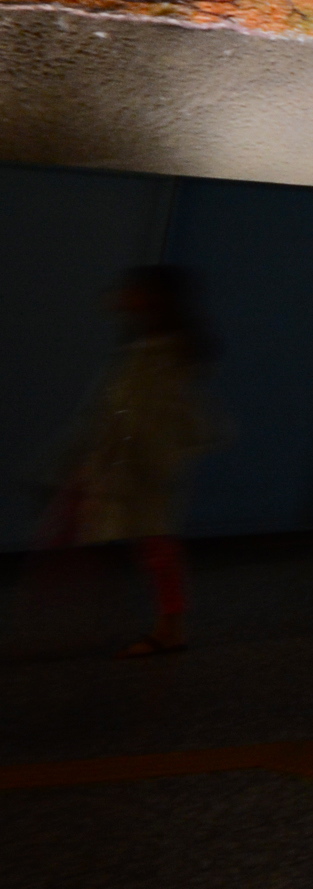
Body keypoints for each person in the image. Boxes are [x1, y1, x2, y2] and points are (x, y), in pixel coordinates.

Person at [44, 266, 219, 656]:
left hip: (145, 464)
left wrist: (111, 458)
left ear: (154, 297)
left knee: (154, 543)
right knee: (151, 543)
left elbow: (148, 411)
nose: (124, 297)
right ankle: (168, 625)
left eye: (134, 291)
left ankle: (169, 628)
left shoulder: (162, 348)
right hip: (137, 461)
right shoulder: (155, 343)